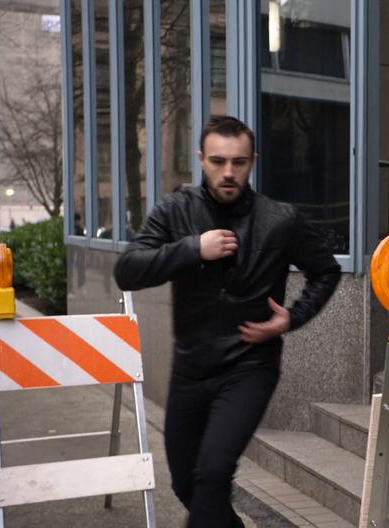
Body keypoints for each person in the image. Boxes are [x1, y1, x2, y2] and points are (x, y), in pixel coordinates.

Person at [113, 115, 341, 527]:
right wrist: (192, 249)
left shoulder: (280, 219)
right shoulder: (174, 210)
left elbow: (326, 271)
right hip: (190, 369)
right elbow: (128, 270)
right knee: (187, 485)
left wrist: (292, 318)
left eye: (239, 162)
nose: (229, 172)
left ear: (253, 161)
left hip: (249, 366)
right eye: (218, 161)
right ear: (201, 159)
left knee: (213, 474)